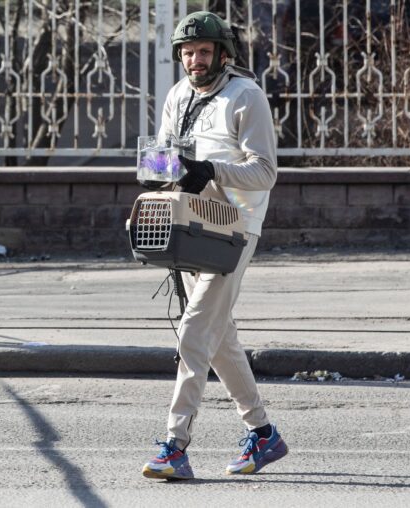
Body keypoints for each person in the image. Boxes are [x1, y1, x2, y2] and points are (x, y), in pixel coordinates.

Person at [142, 11, 287, 480]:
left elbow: (265, 172)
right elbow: (164, 158)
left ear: (223, 54)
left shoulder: (246, 96)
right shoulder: (178, 95)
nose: (195, 60)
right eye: (187, 52)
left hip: (234, 228)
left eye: (204, 51)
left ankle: (174, 445)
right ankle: (263, 434)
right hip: (188, 223)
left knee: (194, 332)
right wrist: (157, 170)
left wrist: (211, 169)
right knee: (219, 338)